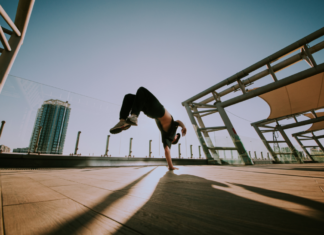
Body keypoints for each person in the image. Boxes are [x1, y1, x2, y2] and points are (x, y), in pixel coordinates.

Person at [110, 87, 187, 170]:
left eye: (177, 136)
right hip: (150, 112)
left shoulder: (168, 138)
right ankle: (122, 121)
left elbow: (167, 151)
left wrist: (171, 166)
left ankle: (134, 116)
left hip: (158, 110)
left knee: (142, 90)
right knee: (128, 97)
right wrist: (183, 127)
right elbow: (179, 122)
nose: (176, 134)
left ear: (174, 140)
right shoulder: (173, 127)